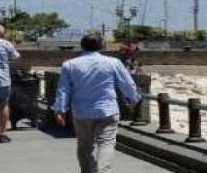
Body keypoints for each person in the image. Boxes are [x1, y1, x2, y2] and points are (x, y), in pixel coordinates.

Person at [53, 35, 142, 173]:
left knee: (85, 146)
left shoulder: (69, 65)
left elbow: (63, 89)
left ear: (82, 46)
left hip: (81, 113)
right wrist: (134, 99)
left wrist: (60, 110)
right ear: (101, 46)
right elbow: (127, 84)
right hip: (107, 110)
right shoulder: (113, 62)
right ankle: (103, 170)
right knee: (106, 143)